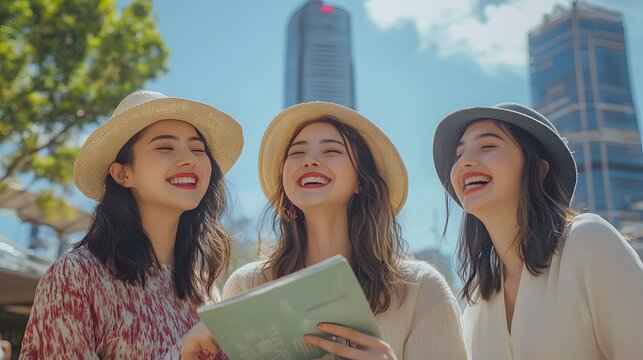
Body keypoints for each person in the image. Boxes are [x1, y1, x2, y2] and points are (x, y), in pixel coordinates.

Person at [183, 102, 467, 359]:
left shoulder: (421, 291)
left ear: (362, 182)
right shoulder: (247, 286)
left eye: (331, 150)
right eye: (297, 152)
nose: (310, 160)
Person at [20, 90, 243, 359]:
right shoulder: (76, 277)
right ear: (123, 173)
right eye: (165, 147)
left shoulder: (205, 290)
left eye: (198, 149)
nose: (190, 159)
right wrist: (181, 354)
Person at [432, 102, 643, 359]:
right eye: (459, 154)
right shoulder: (477, 301)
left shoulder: (588, 241)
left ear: (540, 169)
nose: (464, 162)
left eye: (488, 146)